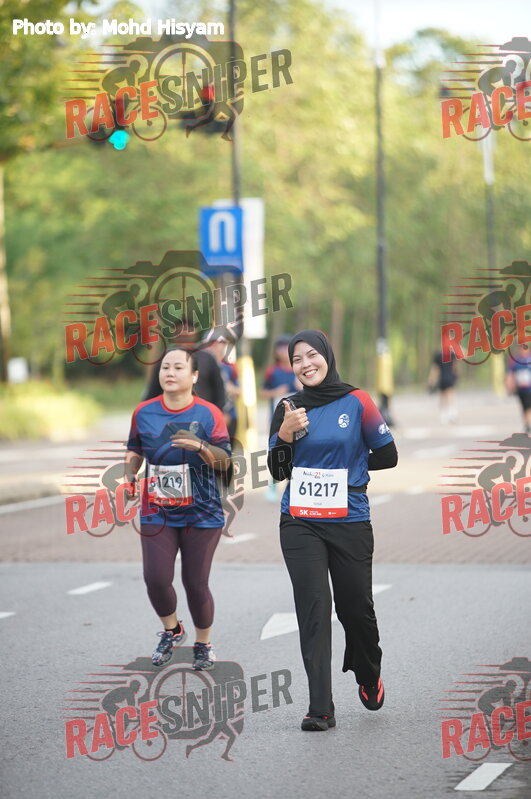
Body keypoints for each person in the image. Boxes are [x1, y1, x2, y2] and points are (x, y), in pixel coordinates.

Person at [267, 329, 398, 732]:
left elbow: (388, 455)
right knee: (314, 609)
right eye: (297, 359)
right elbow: (277, 470)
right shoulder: (287, 408)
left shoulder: (357, 401)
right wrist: (285, 433)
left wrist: (348, 468)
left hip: (349, 519)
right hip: (300, 520)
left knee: (355, 609)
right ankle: (320, 708)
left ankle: (368, 673)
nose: (305, 364)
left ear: (327, 355)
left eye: (312, 355)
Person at [125, 347, 232, 670]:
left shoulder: (209, 413)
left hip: (202, 510)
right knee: (155, 578)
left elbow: (225, 461)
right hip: (157, 508)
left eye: (178, 368)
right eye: (165, 367)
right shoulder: (143, 412)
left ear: (194, 376)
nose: (169, 373)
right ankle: (172, 629)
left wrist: (201, 446)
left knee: (195, 583)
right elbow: (134, 448)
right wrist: (130, 474)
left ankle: (203, 643)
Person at [143, 319, 227, 411]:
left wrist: (219, 411)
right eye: (179, 334)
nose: (183, 338)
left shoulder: (207, 358)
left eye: (187, 334)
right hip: (172, 412)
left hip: (203, 412)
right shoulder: (165, 358)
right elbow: (153, 389)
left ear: (195, 334)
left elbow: (219, 389)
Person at [261, 334, 302, 501]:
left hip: (298, 419)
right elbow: (262, 392)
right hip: (277, 419)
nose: (283, 351)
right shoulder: (272, 371)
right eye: (280, 347)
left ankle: (291, 486)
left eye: (286, 347)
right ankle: (273, 485)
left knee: (296, 451)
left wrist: (302, 387)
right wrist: (275, 392)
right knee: (277, 451)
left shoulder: (299, 368)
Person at [505, 343, 531, 433]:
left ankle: (528, 423)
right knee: (524, 407)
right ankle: (527, 424)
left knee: (528, 406)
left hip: (530, 388)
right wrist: (509, 386)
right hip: (520, 388)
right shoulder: (515, 360)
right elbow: (510, 374)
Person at [428, 349, 459, 423]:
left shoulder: (439, 355)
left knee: (443, 396)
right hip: (449, 377)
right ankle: (451, 413)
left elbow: (435, 369)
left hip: (442, 377)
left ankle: (445, 414)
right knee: (450, 395)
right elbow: (455, 367)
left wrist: (431, 380)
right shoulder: (451, 354)